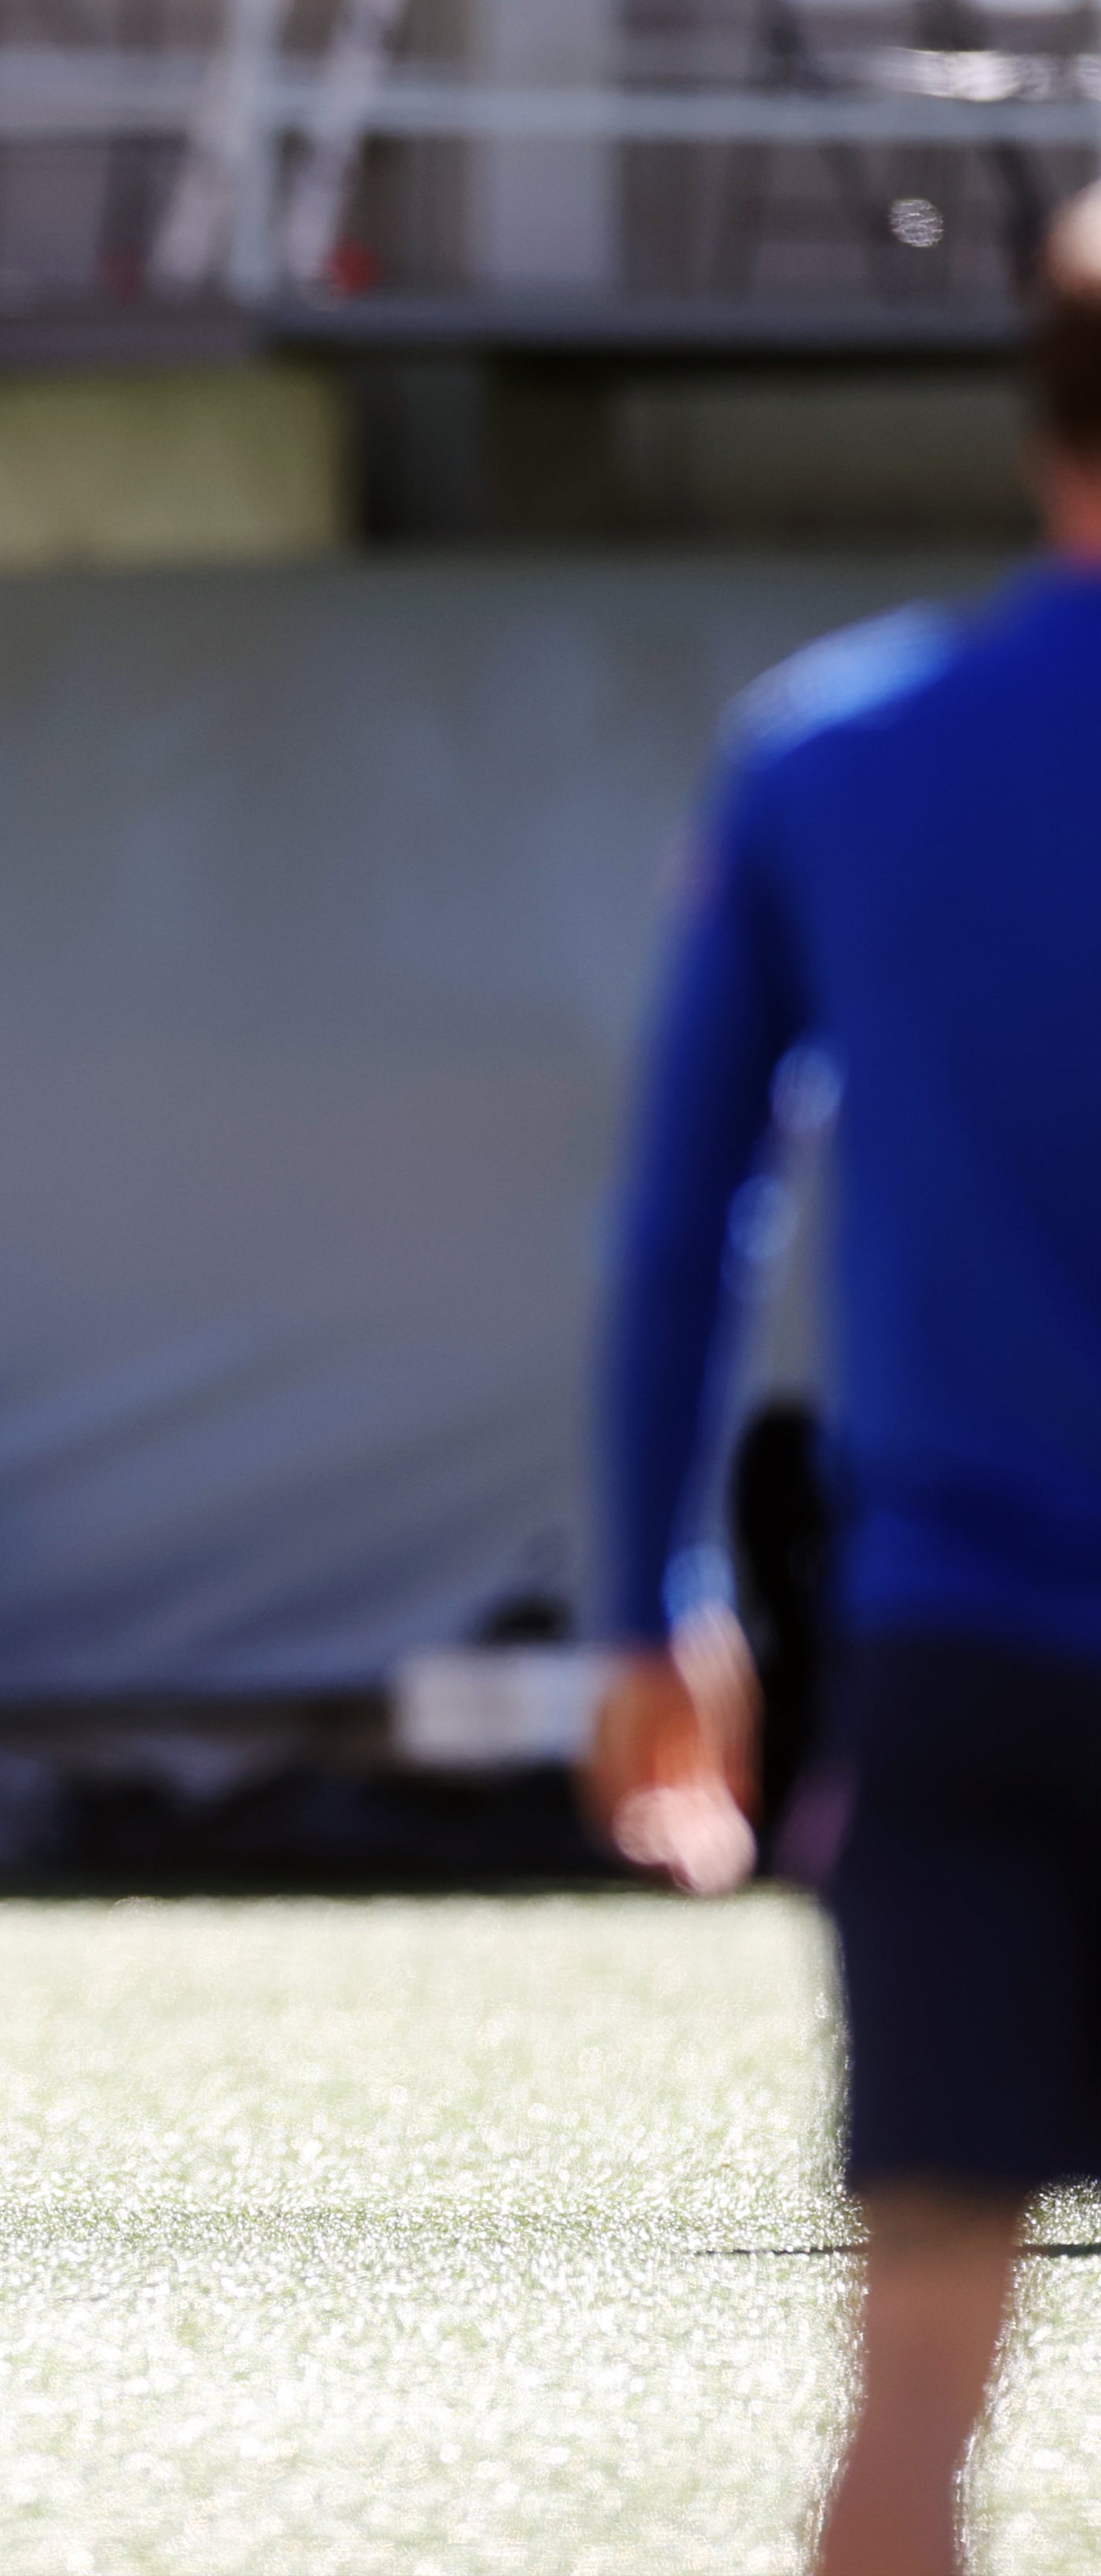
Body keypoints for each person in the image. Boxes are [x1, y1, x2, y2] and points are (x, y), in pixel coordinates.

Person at [590, 182, 1101, 2576]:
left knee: (910, 2412)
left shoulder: (836, 750)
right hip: (967, 1631)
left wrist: (646, 1603)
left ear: (1036, 425)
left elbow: (689, 1207)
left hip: (968, 1654)